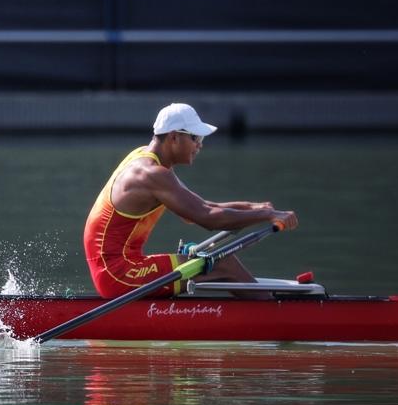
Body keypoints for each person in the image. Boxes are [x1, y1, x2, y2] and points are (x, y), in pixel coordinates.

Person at [83, 103, 297, 300]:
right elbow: (207, 219)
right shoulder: (150, 173)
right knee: (223, 263)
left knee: (218, 263)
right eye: (196, 138)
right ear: (174, 137)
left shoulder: (148, 160)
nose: (200, 145)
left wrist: (253, 208)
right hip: (118, 272)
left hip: (117, 268)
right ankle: (280, 323)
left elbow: (196, 209)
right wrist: (268, 216)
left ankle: (264, 317)